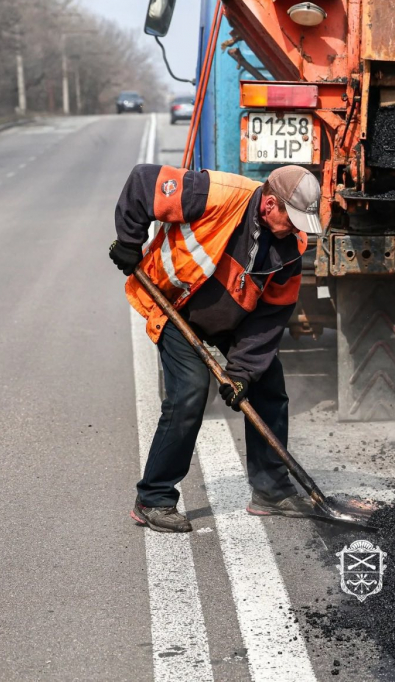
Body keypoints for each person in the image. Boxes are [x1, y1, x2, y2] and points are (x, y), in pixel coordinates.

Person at [109, 164, 323, 532]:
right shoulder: (215, 193)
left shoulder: (292, 245)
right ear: (270, 204)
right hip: (174, 304)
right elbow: (144, 181)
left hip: (230, 316)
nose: (298, 230)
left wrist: (241, 372)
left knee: (268, 383)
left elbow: (271, 316)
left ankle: (271, 490)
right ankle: (153, 498)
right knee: (191, 390)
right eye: (293, 219)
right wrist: (130, 242)